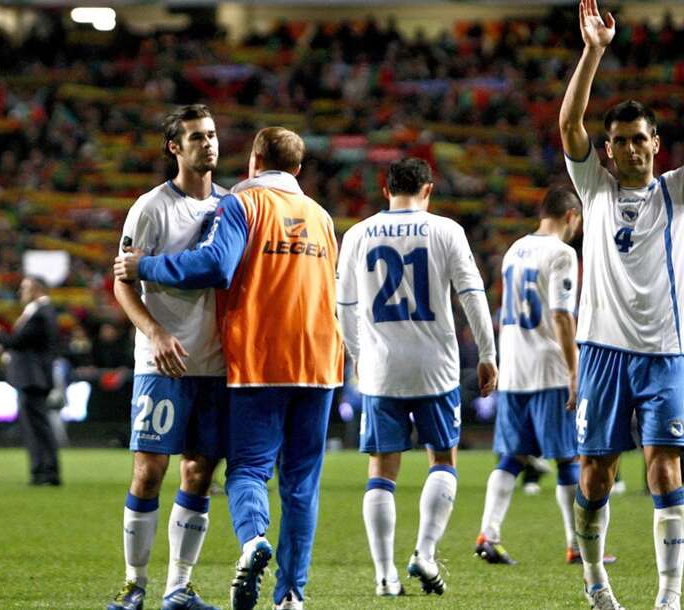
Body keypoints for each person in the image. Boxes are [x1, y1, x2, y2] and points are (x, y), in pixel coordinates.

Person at [115, 126, 343, 610]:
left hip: (259, 360)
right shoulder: (322, 217)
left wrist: (148, 266)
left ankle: (250, 543)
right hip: (321, 363)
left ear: (254, 159)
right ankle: (290, 597)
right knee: (301, 483)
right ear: (299, 169)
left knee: (246, 470)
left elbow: (217, 266)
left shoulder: (241, 203)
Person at [558, 1, 684, 608]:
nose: (631, 149)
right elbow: (568, 125)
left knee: (665, 471)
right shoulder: (595, 189)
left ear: (656, 144)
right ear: (607, 151)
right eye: (620, 142)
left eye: (640, 140)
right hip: (603, 351)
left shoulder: (678, 193)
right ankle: (596, 584)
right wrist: (593, 50)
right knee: (595, 477)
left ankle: (668, 596)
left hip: (663, 353)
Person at [336, 157, 497, 598]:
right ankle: (425, 553)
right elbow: (472, 295)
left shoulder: (357, 234)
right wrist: (487, 353)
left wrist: (356, 356)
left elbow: (344, 306)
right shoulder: (446, 231)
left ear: (386, 191)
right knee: (442, 461)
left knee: (381, 470)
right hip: (435, 367)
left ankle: (385, 576)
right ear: (428, 190)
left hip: (381, 368)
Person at [108, 104, 227, 610]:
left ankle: (179, 586)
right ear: (174, 147)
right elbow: (122, 283)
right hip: (163, 364)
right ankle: (135, 584)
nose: (209, 143)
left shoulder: (233, 206)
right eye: (198, 137)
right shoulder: (151, 207)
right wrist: (155, 332)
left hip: (217, 363)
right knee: (148, 470)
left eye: (213, 134)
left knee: (200, 472)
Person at [474, 185, 615, 567]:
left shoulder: (514, 250)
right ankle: (576, 543)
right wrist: (574, 371)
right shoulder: (562, 253)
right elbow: (560, 315)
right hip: (549, 369)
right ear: (571, 216)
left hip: (515, 368)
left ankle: (489, 533)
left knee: (511, 457)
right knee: (569, 457)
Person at [0, 276, 60, 486]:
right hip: (32, 377)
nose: (21, 292)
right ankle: (43, 470)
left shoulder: (41, 312)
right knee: (36, 426)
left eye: (24, 287)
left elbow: (19, 341)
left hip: (32, 377)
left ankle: (45, 472)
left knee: (37, 426)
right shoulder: (42, 312)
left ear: (36, 289)